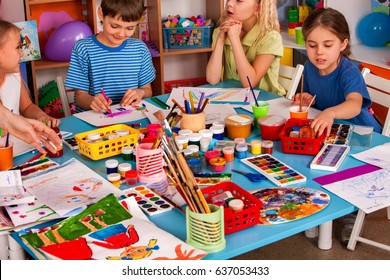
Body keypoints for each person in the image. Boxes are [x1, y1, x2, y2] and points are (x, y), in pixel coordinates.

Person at [292, 8, 382, 136]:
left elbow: (355, 104)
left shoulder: (349, 73)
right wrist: (309, 99)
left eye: (327, 45)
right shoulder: (309, 67)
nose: (319, 52)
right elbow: (315, 98)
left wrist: (331, 112)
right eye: (312, 45)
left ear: (342, 44)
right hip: (333, 131)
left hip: (363, 134)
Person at [65, 0, 156, 113]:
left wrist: (140, 92)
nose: (121, 34)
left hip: (130, 118)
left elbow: (147, 90)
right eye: (114, 26)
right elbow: (80, 97)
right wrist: (92, 101)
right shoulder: (83, 48)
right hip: (95, 120)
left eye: (130, 28)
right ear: (101, 13)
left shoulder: (140, 49)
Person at [206, 0, 285, 96]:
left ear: (258, 8)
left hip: (265, 104)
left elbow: (249, 83)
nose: (229, 3)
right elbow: (212, 79)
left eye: (239, 0)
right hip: (234, 98)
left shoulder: (271, 38)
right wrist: (221, 39)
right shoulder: (220, 32)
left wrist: (234, 39)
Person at [0, 20, 60, 128]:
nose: (22, 53)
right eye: (18, 47)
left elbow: (27, 107)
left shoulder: (14, 75)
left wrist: (41, 115)